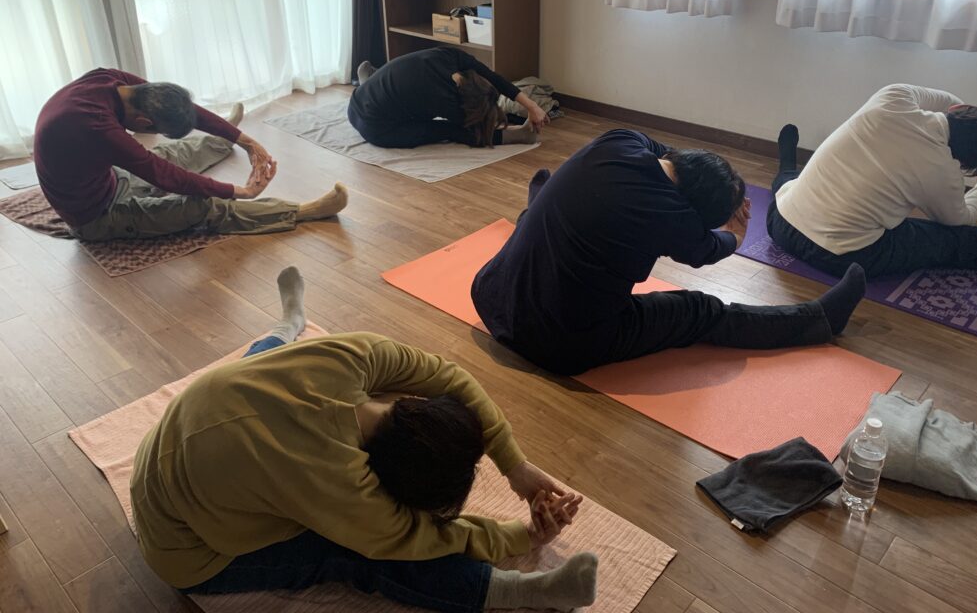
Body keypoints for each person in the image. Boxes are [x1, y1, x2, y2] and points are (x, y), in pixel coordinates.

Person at [131, 266, 597, 613]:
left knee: (261, 365)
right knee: (354, 555)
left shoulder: (355, 355)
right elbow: (424, 537)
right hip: (188, 549)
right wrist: (521, 536)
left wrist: (514, 465)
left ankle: (287, 327)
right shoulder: (339, 485)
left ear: (413, 402)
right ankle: (523, 592)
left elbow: (451, 379)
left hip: (178, 436)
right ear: (382, 486)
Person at [471, 129, 866, 376]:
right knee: (700, 310)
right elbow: (712, 249)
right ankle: (820, 320)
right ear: (691, 214)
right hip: (561, 344)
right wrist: (737, 232)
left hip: (489, 293)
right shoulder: (671, 217)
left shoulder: (619, 140)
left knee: (550, 210)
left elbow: (672, 156)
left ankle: (540, 203)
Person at [34, 68, 348, 241]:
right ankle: (300, 211)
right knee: (202, 205)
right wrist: (239, 191)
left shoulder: (111, 82)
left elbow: (182, 108)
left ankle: (224, 141)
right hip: (97, 216)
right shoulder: (96, 126)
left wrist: (244, 140)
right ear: (143, 122)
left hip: (109, 179)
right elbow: (164, 177)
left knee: (172, 151)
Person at [768, 84, 977, 279]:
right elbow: (961, 222)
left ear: (958, 110)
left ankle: (787, 163)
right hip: (841, 258)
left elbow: (948, 101)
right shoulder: (943, 170)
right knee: (958, 241)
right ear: (966, 163)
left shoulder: (894, 97)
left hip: (779, 223)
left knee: (794, 184)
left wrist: (971, 114)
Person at [349, 47, 550, 149]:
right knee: (447, 130)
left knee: (402, 81)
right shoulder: (443, 100)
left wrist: (531, 106)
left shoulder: (452, 57)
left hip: (357, 100)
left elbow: (493, 77)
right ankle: (521, 136)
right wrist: (511, 129)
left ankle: (371, 81)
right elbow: (473, 133)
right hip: (376, 128)